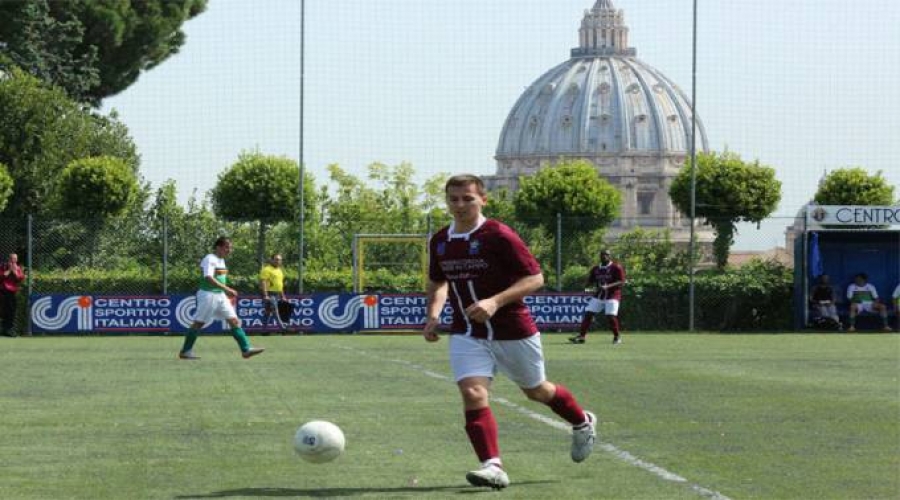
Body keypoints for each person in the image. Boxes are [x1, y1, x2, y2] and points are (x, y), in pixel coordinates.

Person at [423, 174, 596, 490]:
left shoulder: (499, 235)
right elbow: (438, 281)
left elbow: (535, 278)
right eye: (453, 199)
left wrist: (494, 301)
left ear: (482, 200)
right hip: (466, 331)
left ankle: (582, 422)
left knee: (537, 391)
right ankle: (493, 466)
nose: (460, 205)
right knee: (472, 392)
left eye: (467, 198)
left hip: (512, 329)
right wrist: (433, 314)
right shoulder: (439, 241)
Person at [178, 237, 265, 360]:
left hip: (220, 295)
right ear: (218, 247)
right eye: (227, 247)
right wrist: (227, 289)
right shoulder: (210, 258)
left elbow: (218, 278)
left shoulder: (221, 260)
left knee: (234, 320)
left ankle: (246, 349)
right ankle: (185, 351)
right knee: (199, 323)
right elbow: (208, 277)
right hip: (208, 294)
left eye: (230, 247)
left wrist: (224, 291)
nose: (229, 250)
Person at [569, 249, 626, 345]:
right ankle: (582, 337)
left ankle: (617, 337)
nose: (604, 256)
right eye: (602, 255)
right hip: (599, 295)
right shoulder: (596, 269)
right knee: (588, 314)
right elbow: (590, 281)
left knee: (610, 316)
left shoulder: (616, 267)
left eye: (606, 254)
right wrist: (585, 285)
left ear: (610, 256)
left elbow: (621, 281)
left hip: (612, 295)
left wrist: (607, 286)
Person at [259, 253, 287, 330]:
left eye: (280, 260)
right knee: (275, 309)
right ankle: (282, 327)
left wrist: (282, 296)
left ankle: (263, 330)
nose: (278, 261)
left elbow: (280, 285)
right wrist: (265, 295)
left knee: (268, 312)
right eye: (276, 259)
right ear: (271, 260)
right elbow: (263, 282)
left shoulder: (279, 270)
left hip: (276, 294)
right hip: (269, 293)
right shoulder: (266, 269)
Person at [0, 253, 26, 337]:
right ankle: (4, 329)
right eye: (12, 259)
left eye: (15, 259)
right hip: (3, 291)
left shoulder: (18, 268)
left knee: (11, 311)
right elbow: (2, 276)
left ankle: (7, 330)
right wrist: (9, 271)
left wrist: (14, 272)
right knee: (3, 311)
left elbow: (20, 278)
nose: (14, 261)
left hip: (11, 293)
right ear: (9, 259)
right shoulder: (3, 267)